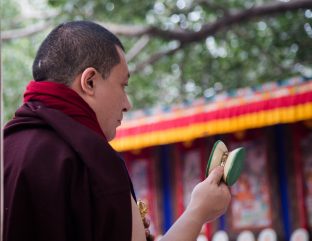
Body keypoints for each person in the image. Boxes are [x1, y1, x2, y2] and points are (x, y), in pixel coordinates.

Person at [3, 20, 231, 241]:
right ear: (89, 81)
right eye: (123, 85)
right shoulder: (95, 161)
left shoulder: (7, 146)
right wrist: (198, 211)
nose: (127, 103)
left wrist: (198, 211)